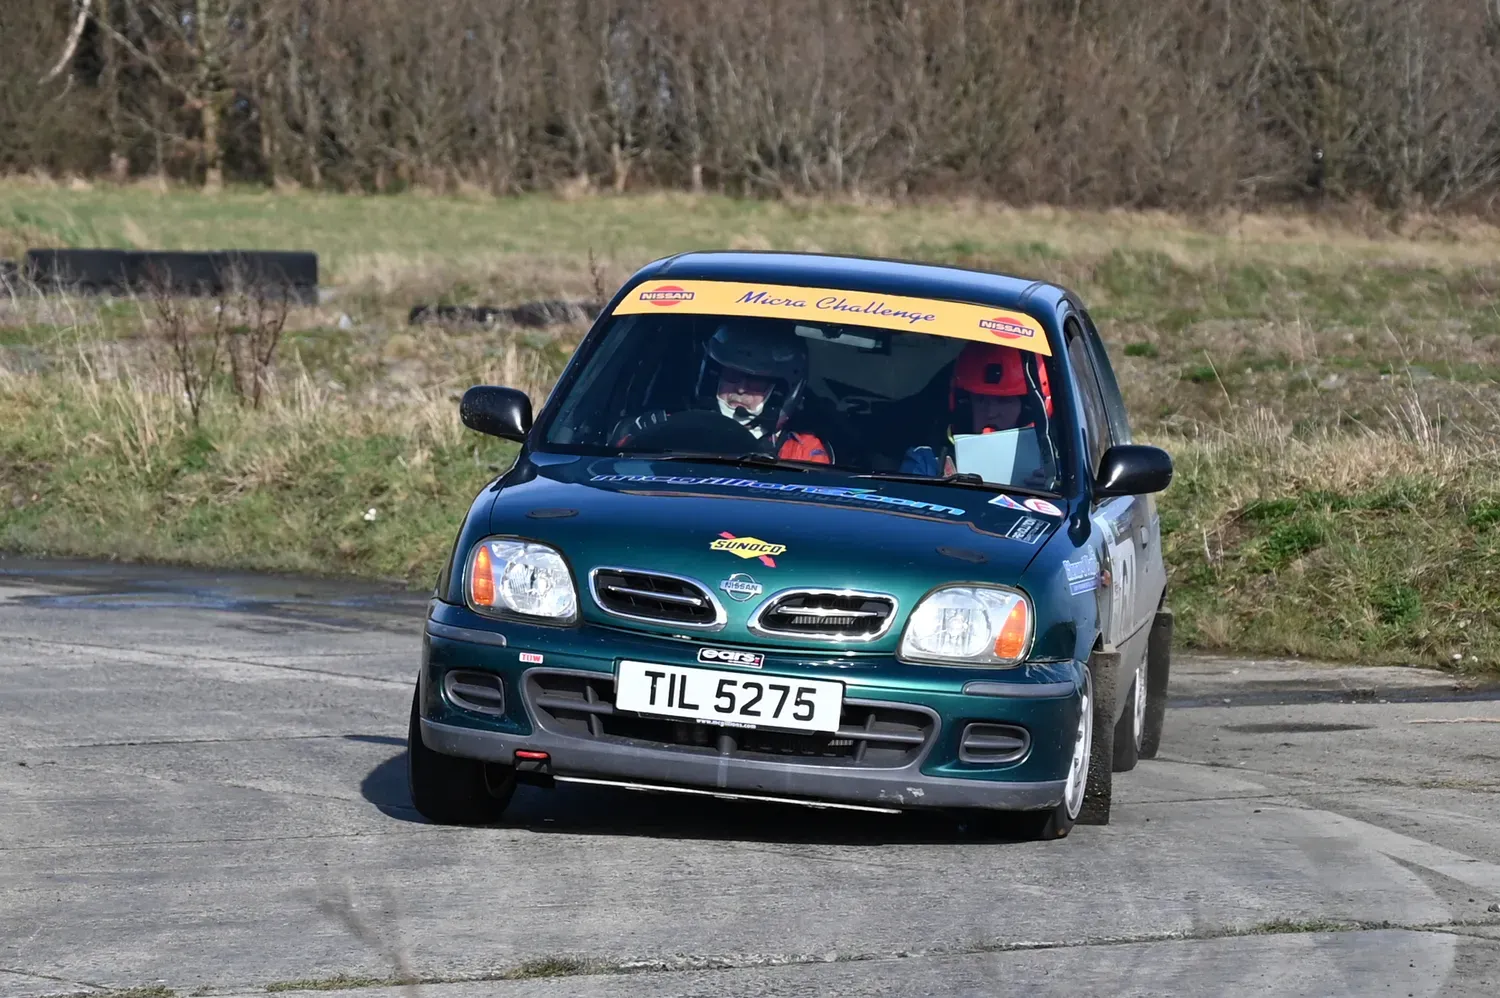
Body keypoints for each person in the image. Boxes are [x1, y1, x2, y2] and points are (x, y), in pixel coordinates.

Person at [614, 322, 834, 464]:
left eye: (756, 382)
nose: (740, 389)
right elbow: (615, 473)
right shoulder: (661, 427)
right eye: (731, 376)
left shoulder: (802, 451)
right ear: (712, 379)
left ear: (781, 392)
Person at [901, 341, 1052, 479]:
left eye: (1004, 401)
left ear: (1029, 409)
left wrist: (1050, 492)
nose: (991, 413)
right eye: (980, 400)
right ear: (964, 406)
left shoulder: (1062, 467)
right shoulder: (927, 462)